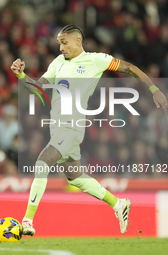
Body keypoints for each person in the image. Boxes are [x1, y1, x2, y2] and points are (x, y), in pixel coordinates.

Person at [10, 24, 168, 236]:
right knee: (75, 177)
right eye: (59, 43)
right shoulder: (58, 63)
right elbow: (39, 90)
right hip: (58, 128)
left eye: (64, 43)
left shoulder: (95, 60)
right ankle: (118, 203)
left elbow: (130, 67)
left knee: (42, 162)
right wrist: (22, 76)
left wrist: (154, 89)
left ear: (77, 41)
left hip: (71, 127)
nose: (60, 48)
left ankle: (27, 220)